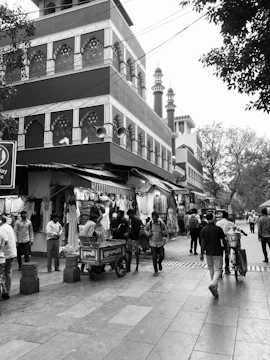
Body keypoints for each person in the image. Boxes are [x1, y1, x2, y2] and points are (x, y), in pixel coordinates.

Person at [200, 212, 227, 298]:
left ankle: (214, 286)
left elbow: (202, 243)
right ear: (214, 218)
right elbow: (224, 240)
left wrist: (201, 253)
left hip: (208, 253)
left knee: (211, 269)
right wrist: (226, 250)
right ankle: (213, 285)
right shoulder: (218, 229)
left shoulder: (203, 229)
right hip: (217, 252)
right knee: (218, 270)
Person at [144, 211, 167, 276]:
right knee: (154, 256)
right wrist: (148, 234)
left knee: (162, 256)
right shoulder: (150, 223)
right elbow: (145, 229)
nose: (154, 219)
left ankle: (159, 262)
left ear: (157, 217)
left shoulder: (161, 223)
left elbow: (165, 230)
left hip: (160, 242)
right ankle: (155, 270)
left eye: (155, 217)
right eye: (153, 217)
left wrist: (163, 232)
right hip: (152, 243)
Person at [0, 215, 17, 300]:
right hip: (11, 253)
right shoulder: (9, 227)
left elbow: (5, 241)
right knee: (7, 273)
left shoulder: (2, 229)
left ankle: (5, 291)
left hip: (4, 255)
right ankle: (6, 291)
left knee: (2, 274)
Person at [126, 209, 141, 275]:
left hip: (135, 239)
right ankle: (128, 267)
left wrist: (128, 234)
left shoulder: (137, 220)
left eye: (129, 214)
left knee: (136, 253)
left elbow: (136, 230)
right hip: (131, 238)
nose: (129, 216)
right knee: (129, 252)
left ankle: (136, 268)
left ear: (132, 213)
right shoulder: (132, 220)